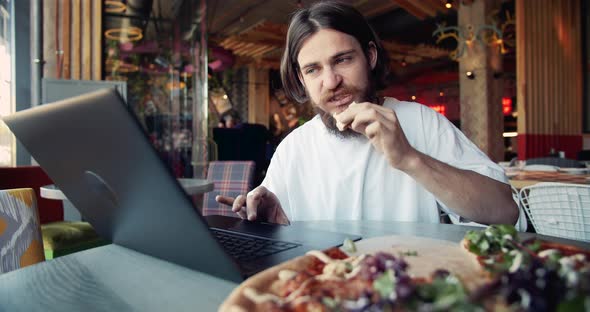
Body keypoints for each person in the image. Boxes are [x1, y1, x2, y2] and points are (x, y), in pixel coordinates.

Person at [216, 1, 522, 228]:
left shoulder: (421, 121)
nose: (331, 81)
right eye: (313, 69)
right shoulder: (293, 148)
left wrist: (409, 158)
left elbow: (506, 213)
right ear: (301, 78)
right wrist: (271, 222)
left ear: (370, 56)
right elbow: (287, 235)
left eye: (343, 60)